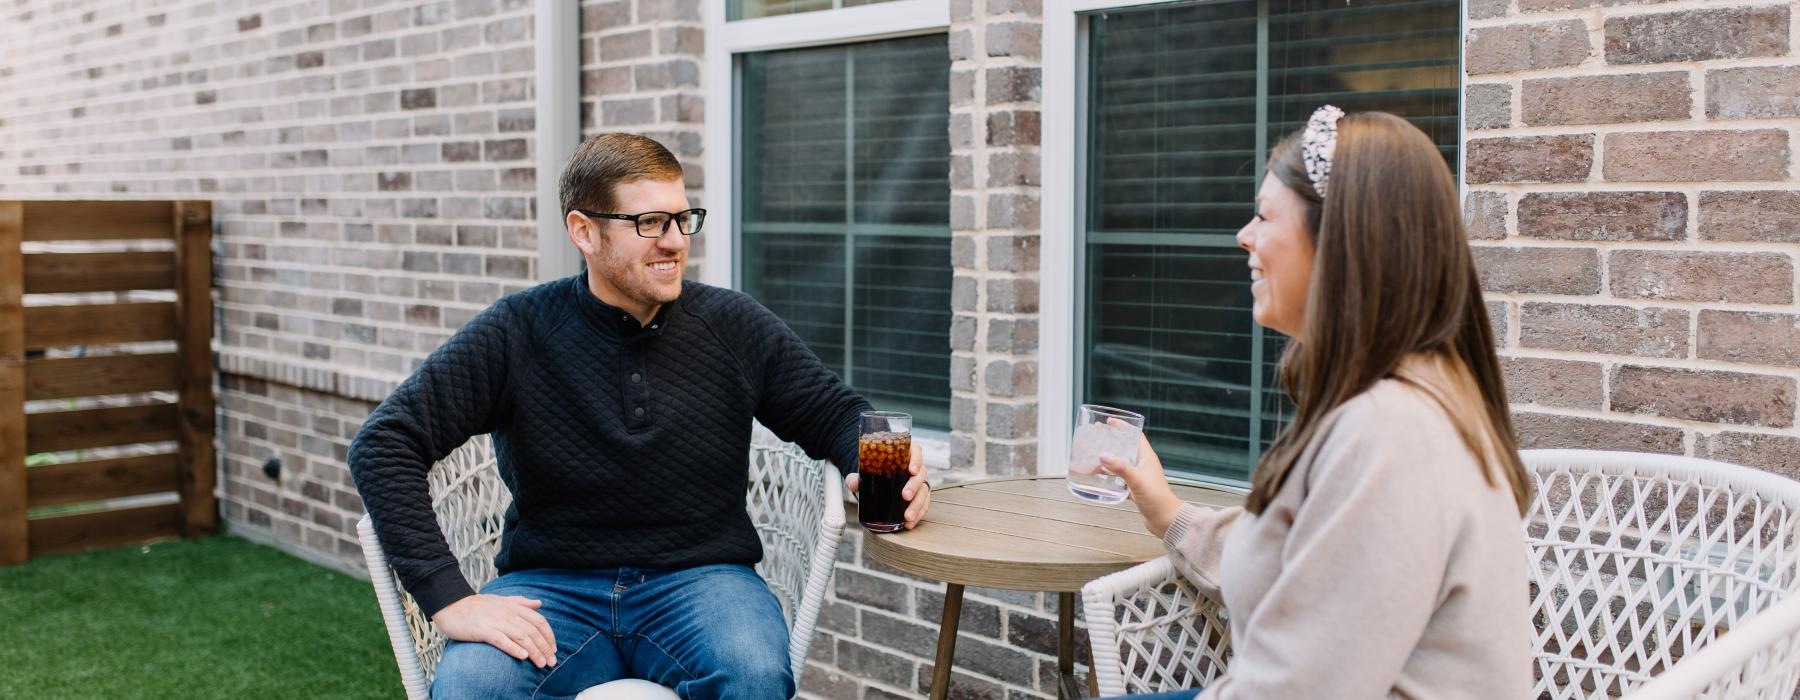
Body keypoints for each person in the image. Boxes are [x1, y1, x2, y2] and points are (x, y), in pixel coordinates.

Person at [348, 133, 932, 700]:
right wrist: (450, 599)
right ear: (584, 231)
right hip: (552, 589)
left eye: (683, 218)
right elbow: (384, 443)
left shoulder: (733, 325)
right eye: (648, 223)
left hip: (702, 582)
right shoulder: (518, 330)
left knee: (752, 676)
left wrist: (888, 467)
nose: (675, 241)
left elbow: (836, 413)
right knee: (474, 685)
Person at [1098, 107, 1534, 699]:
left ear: (1341, 243)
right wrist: (1169, 513)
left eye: (1264, 215)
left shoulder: (1391, 435)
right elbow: (1314, 563)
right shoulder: (1401, 397)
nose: (1243, 235)